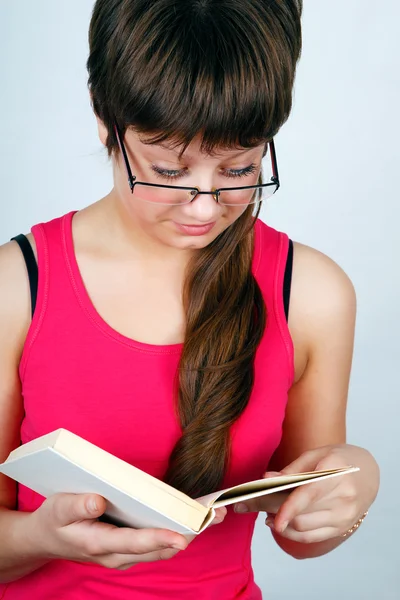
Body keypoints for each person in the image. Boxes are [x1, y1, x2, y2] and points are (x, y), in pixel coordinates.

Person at [0, 1, 380, 598]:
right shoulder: (17, 286)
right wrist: (45, 536)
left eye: (239, 169)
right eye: (168, 172)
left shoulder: (310, 291)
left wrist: (355, 486)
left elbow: (303, 538)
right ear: (106, 120)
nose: (204, 208)